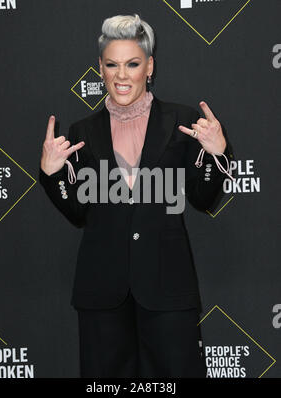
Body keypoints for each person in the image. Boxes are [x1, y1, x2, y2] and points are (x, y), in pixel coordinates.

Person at [39, 14, 233, 378]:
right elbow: (79, 212)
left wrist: (216, 154)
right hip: (101, 293)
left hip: (168, 290)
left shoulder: (182, 121)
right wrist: (52, 175)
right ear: (101, 68)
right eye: (112, 64)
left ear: (149, 67)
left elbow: (203, 199)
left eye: (132, 64)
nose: (122, 75)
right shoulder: (83, 131)